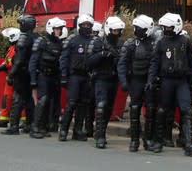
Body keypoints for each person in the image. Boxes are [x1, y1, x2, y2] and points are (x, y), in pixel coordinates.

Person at [147, 12, 192, 156]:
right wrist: (151, 80)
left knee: (187, 110)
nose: (165, 29)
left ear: (176, 26)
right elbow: (154, 63)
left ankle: (189, 144)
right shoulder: (160, 42)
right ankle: (158, 141)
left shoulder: (186, 41)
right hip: (166, 81)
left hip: (182, 81)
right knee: (162, 110)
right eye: (164, 27)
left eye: (168, 27)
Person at [118, 14, 156, 152]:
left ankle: (148, 140)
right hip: (135, 81)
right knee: (134, 110)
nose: (136, 30)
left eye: (139, 28)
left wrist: (151, 80)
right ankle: (134, 141)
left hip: (149, 82)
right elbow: (122, 64)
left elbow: (155, 63)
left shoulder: (154, 44)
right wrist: (123, 81)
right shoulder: (130, 44)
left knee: (151, 111)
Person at [88, 16, 124, 149]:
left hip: (114, 79)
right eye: (115, 31)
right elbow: (89, 61)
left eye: (119, 31)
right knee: (101, 105)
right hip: (101, 78)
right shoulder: (99, 43)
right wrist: (102, 54)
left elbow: (123, 62)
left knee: (109, 108)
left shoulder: (120, 44)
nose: (117, 33)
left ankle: (102, 130)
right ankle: (100, 135)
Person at [58, 14, 95, 142]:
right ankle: (63, 130)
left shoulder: (94, 41)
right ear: (79, 26)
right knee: (71, 103)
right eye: (84, 25)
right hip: (74, 75)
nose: (86, 27)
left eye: (88, 25)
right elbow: (64, 58)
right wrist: (63, 75)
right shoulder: (72, 40)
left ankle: (78, 130)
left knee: (83, 104)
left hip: (87, 76)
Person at [29, 17, 66, 138]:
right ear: (51, 28)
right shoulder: (42, 41)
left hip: (54, 77)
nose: (59, 31)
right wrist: (33, 79)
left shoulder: (59, 43)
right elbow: (33, 61)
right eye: (57, 29)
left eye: (60, 29)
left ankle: (43, 127)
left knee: (50, 102)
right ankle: (35, 127)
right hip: (43, 75)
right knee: (42, 100)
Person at [2, 13, 37, 135]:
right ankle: (30, 124)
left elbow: (18, 60)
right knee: (29, 100)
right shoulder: (35, 37)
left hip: (21, 73)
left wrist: (11, 74)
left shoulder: (23, 39)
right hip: (31, 72)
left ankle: (14, 126)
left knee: (18, 99)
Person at [0, 27, 21, 128]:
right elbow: (8, 61)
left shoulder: (19, 48)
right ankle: (3, 120)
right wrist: (0, 67)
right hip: (10, 76)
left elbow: (16, 63)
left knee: (20, 99)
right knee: (6, 99)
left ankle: (24, 121)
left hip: (17, 77)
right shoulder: (11, 48)